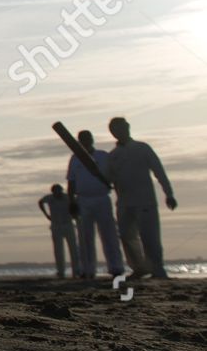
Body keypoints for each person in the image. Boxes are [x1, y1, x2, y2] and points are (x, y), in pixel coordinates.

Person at [107, 117, 178, 280]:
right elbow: (109, 179)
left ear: (128, 128)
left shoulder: (142, 148)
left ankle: (157, 269)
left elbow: (158, 171)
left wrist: (169, 194)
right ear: (112, 133)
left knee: (150, 236)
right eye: (115, 129)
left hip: (145, 201)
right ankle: (139, 267)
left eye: (122, 127)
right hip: (124, 203)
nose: (119, 131)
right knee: (126, 236)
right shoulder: (113, 155)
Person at [66, 129, 124, 279]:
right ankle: (87, 269)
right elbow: (71, 181)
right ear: (79, 141)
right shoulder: (75, 159)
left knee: (109, 234)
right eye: (82, 139)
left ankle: (116, 266)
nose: (86, 141)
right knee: (85, 237)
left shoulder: (103, 156)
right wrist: (71, 201)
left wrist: (119, 195)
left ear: (92, 139)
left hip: (102, 198)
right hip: (83, 200)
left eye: (88, 138)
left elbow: (114, 177)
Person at [38, 184, 81, 278]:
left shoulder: (67, 197)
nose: (58, 193)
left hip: (68, 224)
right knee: (58, 250)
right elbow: (40, 202)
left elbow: (76, 204)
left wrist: (75, 215)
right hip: (56, 225)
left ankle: (76, 270)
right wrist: (46, 214)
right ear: (53, 192)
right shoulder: (49, 198)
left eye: (59, 191)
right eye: (56, 191)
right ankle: (61, 271)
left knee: (73, 248)